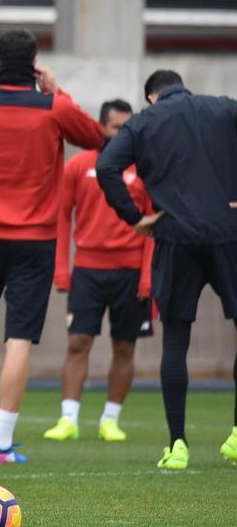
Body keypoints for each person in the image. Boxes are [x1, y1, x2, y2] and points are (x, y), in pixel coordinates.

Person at [0, 29, 103, 464]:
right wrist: (57, 88)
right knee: (19, 340)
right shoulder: (54, 108)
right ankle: (1, 444)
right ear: (34, 64)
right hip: (34, 242)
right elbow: (96, 138)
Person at [97, 69, 237, 471]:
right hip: (229, 235)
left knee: (176, 341)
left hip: (174, 236)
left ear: (151, 97)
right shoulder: (223, 109)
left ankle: (177, 445)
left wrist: (134, 217)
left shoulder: (143, 122)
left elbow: (107, 167)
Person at [44, 99, 153, 444]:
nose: (123, 134)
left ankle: (110, 419)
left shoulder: (145, 169)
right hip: (88, 270)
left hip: (131, 272)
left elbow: (155, 226)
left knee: (125, 347)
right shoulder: (79, 166)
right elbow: (61, 218)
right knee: (78, 342)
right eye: (116, 128)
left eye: (128, 128)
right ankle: (68, 419)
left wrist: (148, 275)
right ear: (102, 128)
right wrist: (62, 268)